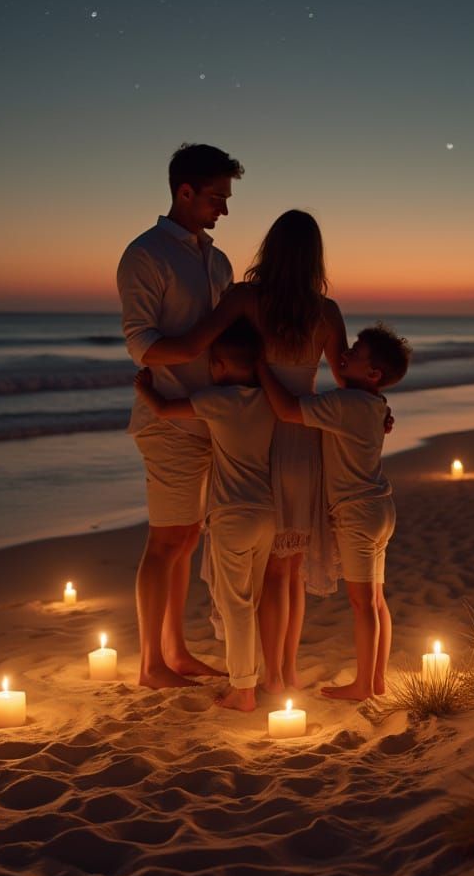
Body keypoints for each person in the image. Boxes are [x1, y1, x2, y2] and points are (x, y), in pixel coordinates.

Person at [141, 210, 348, 693]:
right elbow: (346, 382)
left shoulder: (244, 299)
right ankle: (287, 672)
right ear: (315, 258)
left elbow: (195, 344)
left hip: (260, 437)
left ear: (269, 250)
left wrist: (144, 351)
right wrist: (373, 412)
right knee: (291, 569)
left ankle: (271, 676)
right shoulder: (327, 312)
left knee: (271, 572)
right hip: (304, 444)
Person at [116, 142, 244, 689]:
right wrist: (206, 334)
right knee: (166, 541)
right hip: (167, 418)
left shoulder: (218, 261)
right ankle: (151, 664)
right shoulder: (145, 255)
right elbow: (141, 344)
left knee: (188, 540)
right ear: (184, 192)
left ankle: (177, 650)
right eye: (216, 197)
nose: (224, 209)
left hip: (212, 417)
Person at [257, 323, 412, 701]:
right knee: (376, 600)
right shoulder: (376, 405)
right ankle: (376, 679)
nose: (345, 354)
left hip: (356, 514)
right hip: (380, 509)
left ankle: (363, 685)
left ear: (373, 373)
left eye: (355, 353)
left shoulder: (345, 405)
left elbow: (288, 410)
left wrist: (261, 367)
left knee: (362, 603)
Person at [133, 319, 276, 711]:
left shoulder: (216, 400)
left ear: (218, 366)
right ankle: (249, 679)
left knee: (235, 605)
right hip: (267, 515)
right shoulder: (268, 401)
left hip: (232, 517)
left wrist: (145, 389)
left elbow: (165, 410)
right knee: (252, 601)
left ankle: (243, 690)